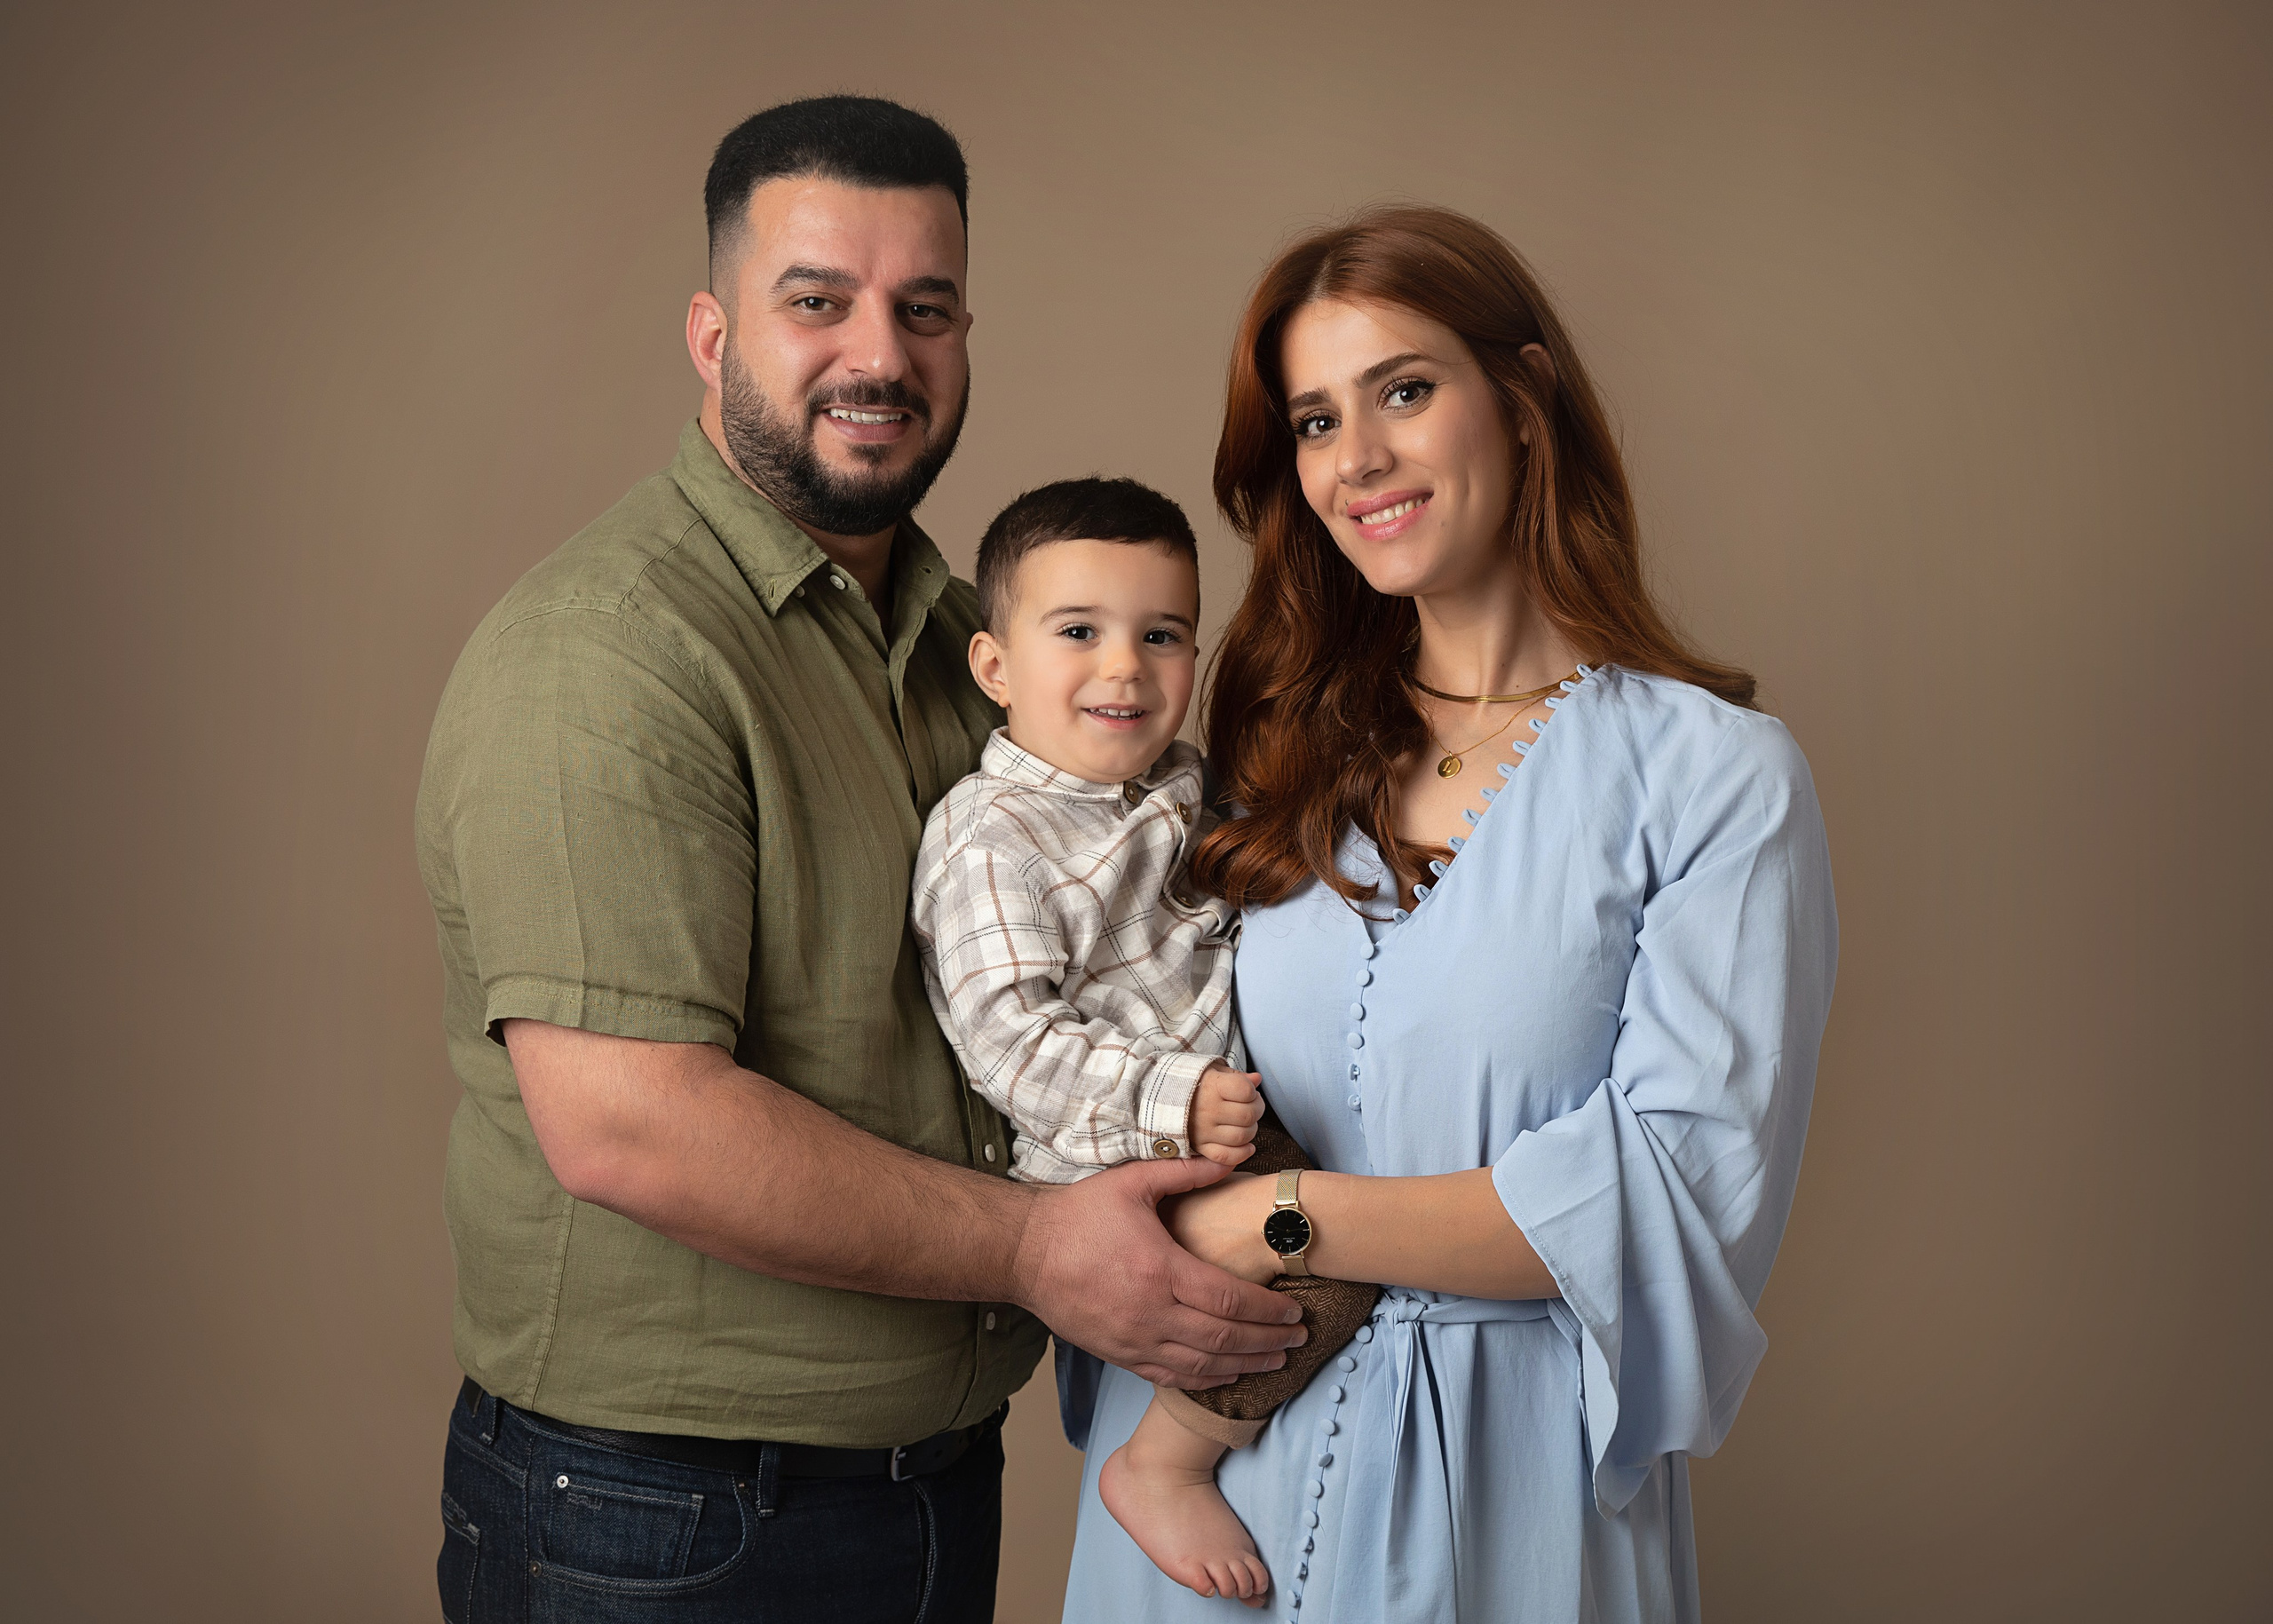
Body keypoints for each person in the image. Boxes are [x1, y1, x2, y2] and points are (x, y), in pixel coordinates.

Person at [414, 97, 1305, 1624]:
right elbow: (631, 1127)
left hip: (929, 1480)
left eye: (927, 308)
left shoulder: (987, 653)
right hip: (659, 1517)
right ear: (710, 332)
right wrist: (1039, 1247)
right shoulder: (608, 655)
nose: (880, 355)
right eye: (816, 301)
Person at [1056, 204, 1839, 1621]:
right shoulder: (1261, 751)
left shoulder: (1716, 780)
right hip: (1191, 1504)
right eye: (1311, 421)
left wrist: (1283, 1217)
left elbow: (1670, 1202)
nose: (1356, 461)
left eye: (1404, 391)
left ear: (1524, 398)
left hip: (1507, 1500)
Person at [909, 479, 1380, 1609]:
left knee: (1351, 1242)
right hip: (1118, 1154)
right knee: (1337, 1274)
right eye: (1078, 632)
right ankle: (1161, 1461)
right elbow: (1008, 1041)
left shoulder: (1179, 781)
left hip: (1214, 1117)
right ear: (994, 667)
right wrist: (1173, 1096)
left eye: (1160, 635)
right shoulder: (990, 836)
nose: (1124, 668)